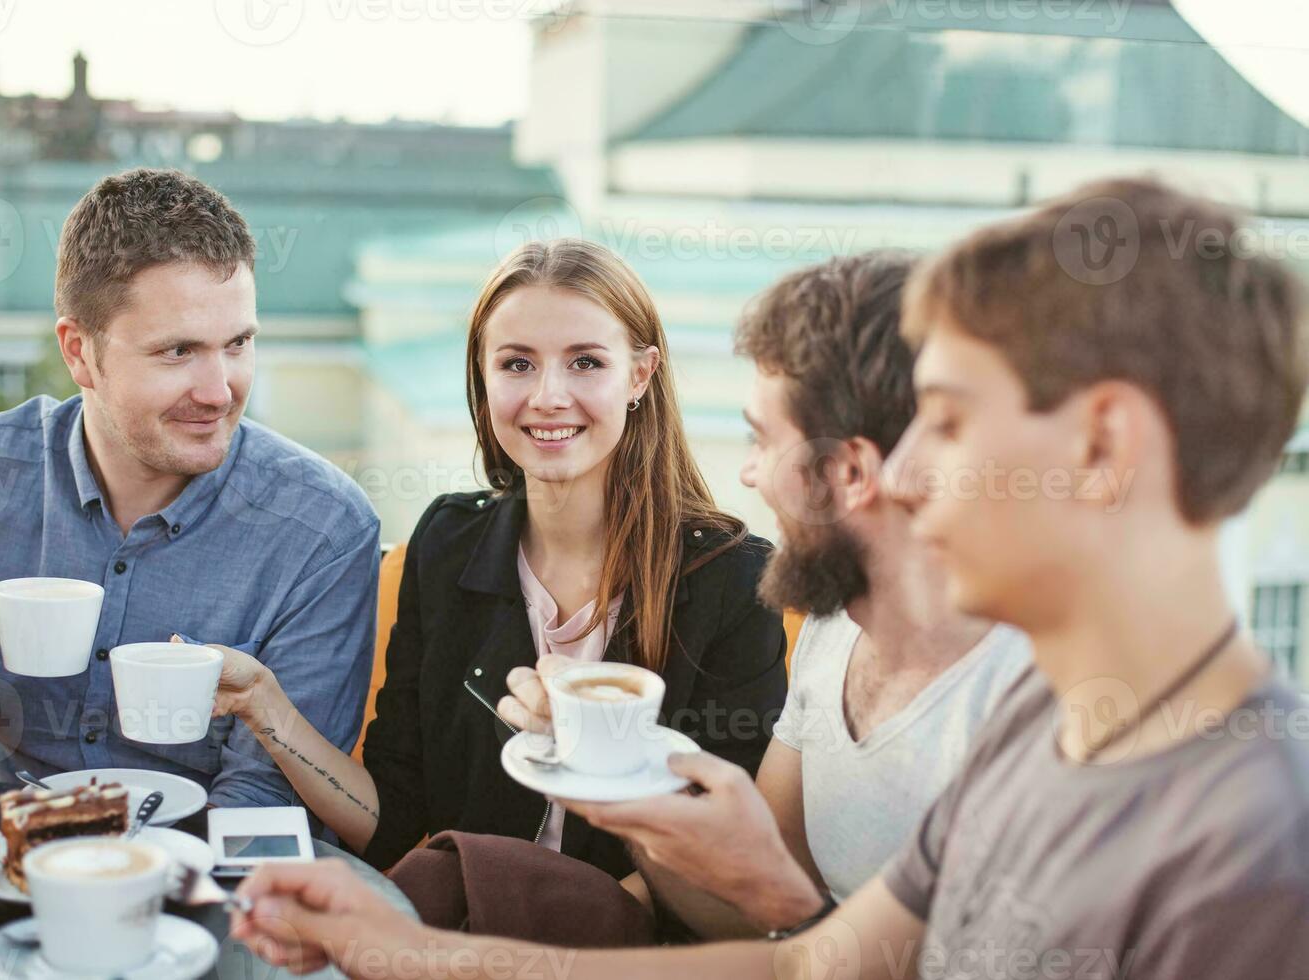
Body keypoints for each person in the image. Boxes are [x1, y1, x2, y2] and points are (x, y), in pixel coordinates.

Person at [229, 177, 1309, 978]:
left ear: (1104, 443)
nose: (898, 474)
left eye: (950, 418)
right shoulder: (1048, 720)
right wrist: (411, 950)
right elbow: (806, 959)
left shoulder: (1257, 846)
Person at [207, 238, 788, 880]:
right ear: (482, 379)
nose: (548, 396)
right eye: (516, 365)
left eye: (586, 362)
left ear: (641, 376)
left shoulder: (733, 581)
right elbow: (392, 819)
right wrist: (265, 706)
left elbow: (732, 866)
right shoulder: (447, 543)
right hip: (467, 930)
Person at [496, 252, 1031, 941]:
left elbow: (788, 919)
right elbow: (747, 921)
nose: (748, 475)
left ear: (848, 471)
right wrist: (615, 778)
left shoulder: (1024, 707)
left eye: (761, 439)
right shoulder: (836, 630)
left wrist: (790, 910)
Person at [0, 168, 381, 814]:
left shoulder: (324, 530)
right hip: (8, 859)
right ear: (79, 353)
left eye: (238, 344)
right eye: (178, 352)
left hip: (213, 878)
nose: (219, 389)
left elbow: (262, 798)